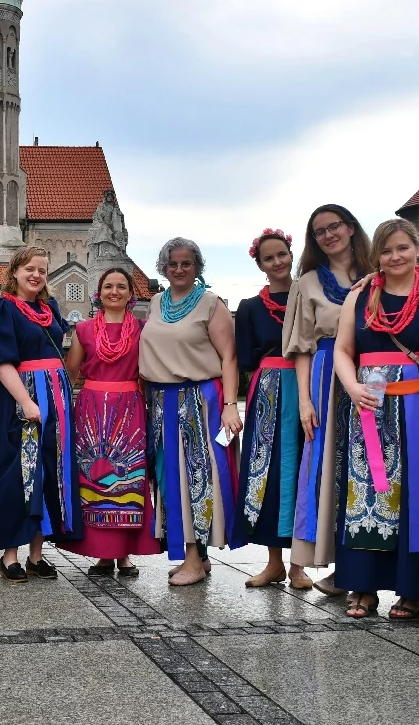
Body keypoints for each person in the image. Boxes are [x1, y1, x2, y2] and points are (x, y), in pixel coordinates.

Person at [331, 219, 419, 619]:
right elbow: (343, 350)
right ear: (375, 255)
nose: (395, 257)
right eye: (386, 250)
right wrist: (351, 386)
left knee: (415, 490)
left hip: (418, 403)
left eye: (403, 248)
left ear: (417, 249)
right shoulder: (360, 296)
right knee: (366, 491)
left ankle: (412, 588)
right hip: (369, 401)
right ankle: (362, 584)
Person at [139, 238, 244, 586]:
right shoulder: (156, 303)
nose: (179, 269)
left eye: (186, 263)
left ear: (197, 266)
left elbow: (229, 357)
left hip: (199, 401)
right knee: (169, 478)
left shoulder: (211, 304)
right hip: (162, 402)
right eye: (172, 264)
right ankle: (197, 555)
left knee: (198, 477)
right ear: (163, 268)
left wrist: (230, 405)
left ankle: (194, 558)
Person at [284, 204, 374, 596]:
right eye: (319, 231)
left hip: (372, 374)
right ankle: (333, 564)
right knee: (327, 468)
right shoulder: (306, 283)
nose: (328, 235)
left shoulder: (377, 275)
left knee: (369, 467)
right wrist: (305, 401)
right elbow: (302, 348)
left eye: (334, 226)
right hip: (326, 378)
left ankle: (363, 565)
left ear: (351, 228)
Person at [0, 246, 82, 582]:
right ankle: (10, 555)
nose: (36, 275)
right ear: (14, 271)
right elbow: (1, 362)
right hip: (20, 397)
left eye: (42, 270)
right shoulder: (3, 308)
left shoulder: (49, 307)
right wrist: (26, 401)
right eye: (29, 269)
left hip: (56, 397)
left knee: (49, 471)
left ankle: (36, 556)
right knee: (17, 471)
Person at [62, 267, 161, 576]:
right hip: (91, 409)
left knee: (129, 478)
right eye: (108, 286)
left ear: (131, 294)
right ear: (99, 292)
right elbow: (71, 372)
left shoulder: (143, 329)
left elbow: (148, 373)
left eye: (121, 286)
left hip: (130, 409)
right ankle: (103, 553)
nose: (114, 291)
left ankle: (124, 553)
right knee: (93, 477)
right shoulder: (83, 330)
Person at [233, 230, 312, 589]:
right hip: (267, 392)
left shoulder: (309, 296)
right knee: (267, 472)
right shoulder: (250, 307)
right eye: (269, 258)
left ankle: (299, 565)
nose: (277, 262)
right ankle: (274, 562)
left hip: (307, 387)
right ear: (260, 265)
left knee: (304, 469)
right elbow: (246, 360)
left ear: (291, 255)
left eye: (282, 254)